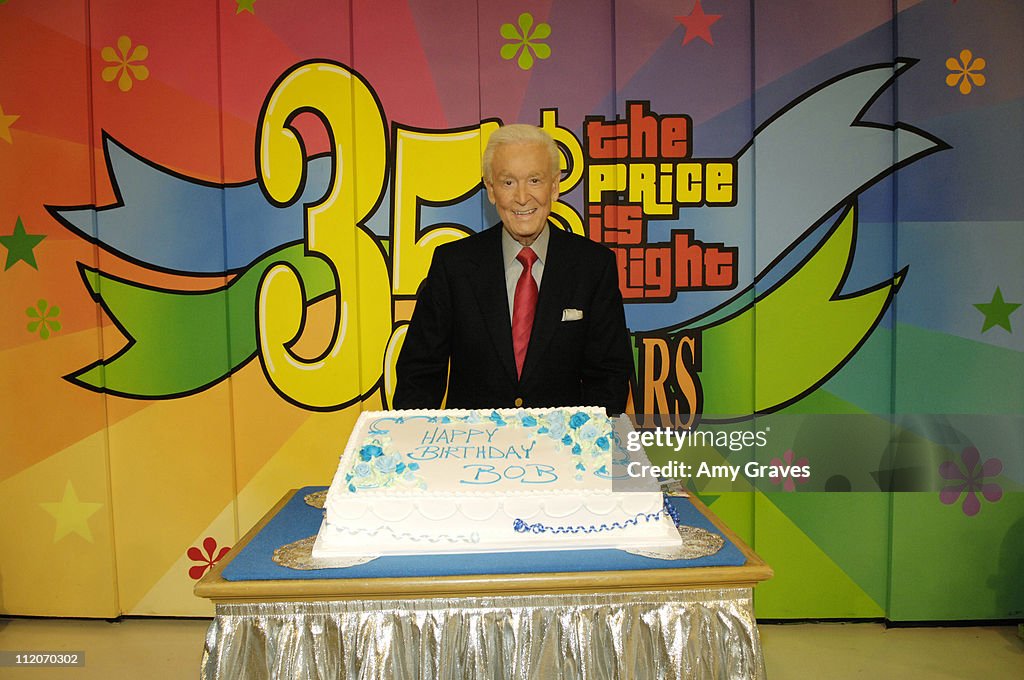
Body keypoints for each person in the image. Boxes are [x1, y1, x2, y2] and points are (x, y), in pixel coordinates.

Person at [392, 124, 633, 414]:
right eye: (508, 183)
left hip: (562, 452)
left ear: (554, 186)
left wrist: (585, 448)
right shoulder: (453, 265)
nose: (522, 197)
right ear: (491, 190)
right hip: (472, 450)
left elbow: (609, 377)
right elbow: (419, 375)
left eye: (534, 180)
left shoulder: (593, 266)